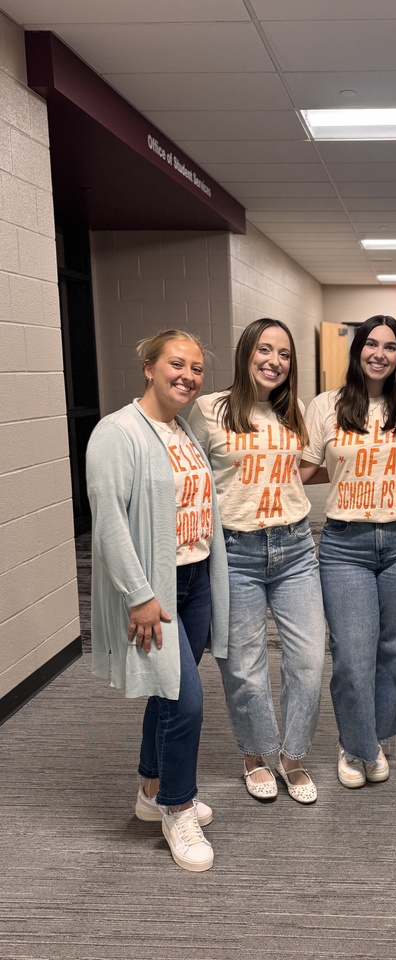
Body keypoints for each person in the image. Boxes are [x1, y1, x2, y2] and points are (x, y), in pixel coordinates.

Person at [86, 330, 229, 872]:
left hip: (192, 583)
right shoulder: (116, 432)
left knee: (168, 693)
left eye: (196, 368)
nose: (188, 376)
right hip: (156, 594)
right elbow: (109, 524)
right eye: (177, 364)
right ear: (149, 367)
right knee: (186, 703)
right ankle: (177, 807)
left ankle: (150, 791)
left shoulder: (183, 430)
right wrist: (140, 596)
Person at [188, 318, 325, 805]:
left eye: (284, 354)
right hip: (236, 552)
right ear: (247, 353)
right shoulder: (209, 410)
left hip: (294, 549)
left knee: (308, 660)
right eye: (265, 350)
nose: (274, 361)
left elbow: (302, 468)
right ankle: (255, 754)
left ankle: (291, 756)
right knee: (243, 665)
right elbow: (187, 475)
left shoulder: (295, 410)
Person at [300, 314, 396, 788]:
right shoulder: (326, 406)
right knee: (353, 652)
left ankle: (371, 738)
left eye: (391, 346)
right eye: (371, 344)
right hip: (346, 545)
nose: (380, 353)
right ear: (358, 351)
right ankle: (356, 745)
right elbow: (310, 468)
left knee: (395, 650)